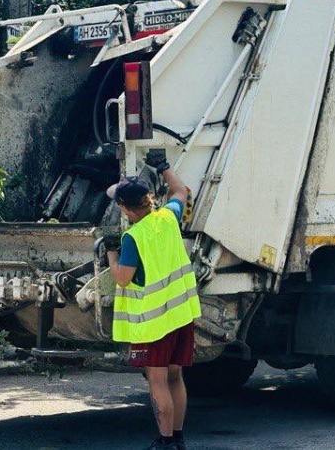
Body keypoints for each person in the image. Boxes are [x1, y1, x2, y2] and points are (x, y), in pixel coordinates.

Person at [106, 150, 201, 450]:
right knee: (175, 377)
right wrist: (164, 166)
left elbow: (122, 277)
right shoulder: (168, 217)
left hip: (155, 322)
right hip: (181, 315)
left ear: (125, 209)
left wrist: (109, 253)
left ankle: (165, 441)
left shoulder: (133, 238)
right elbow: (181, 191)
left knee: (157, 381)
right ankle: (179, 439)